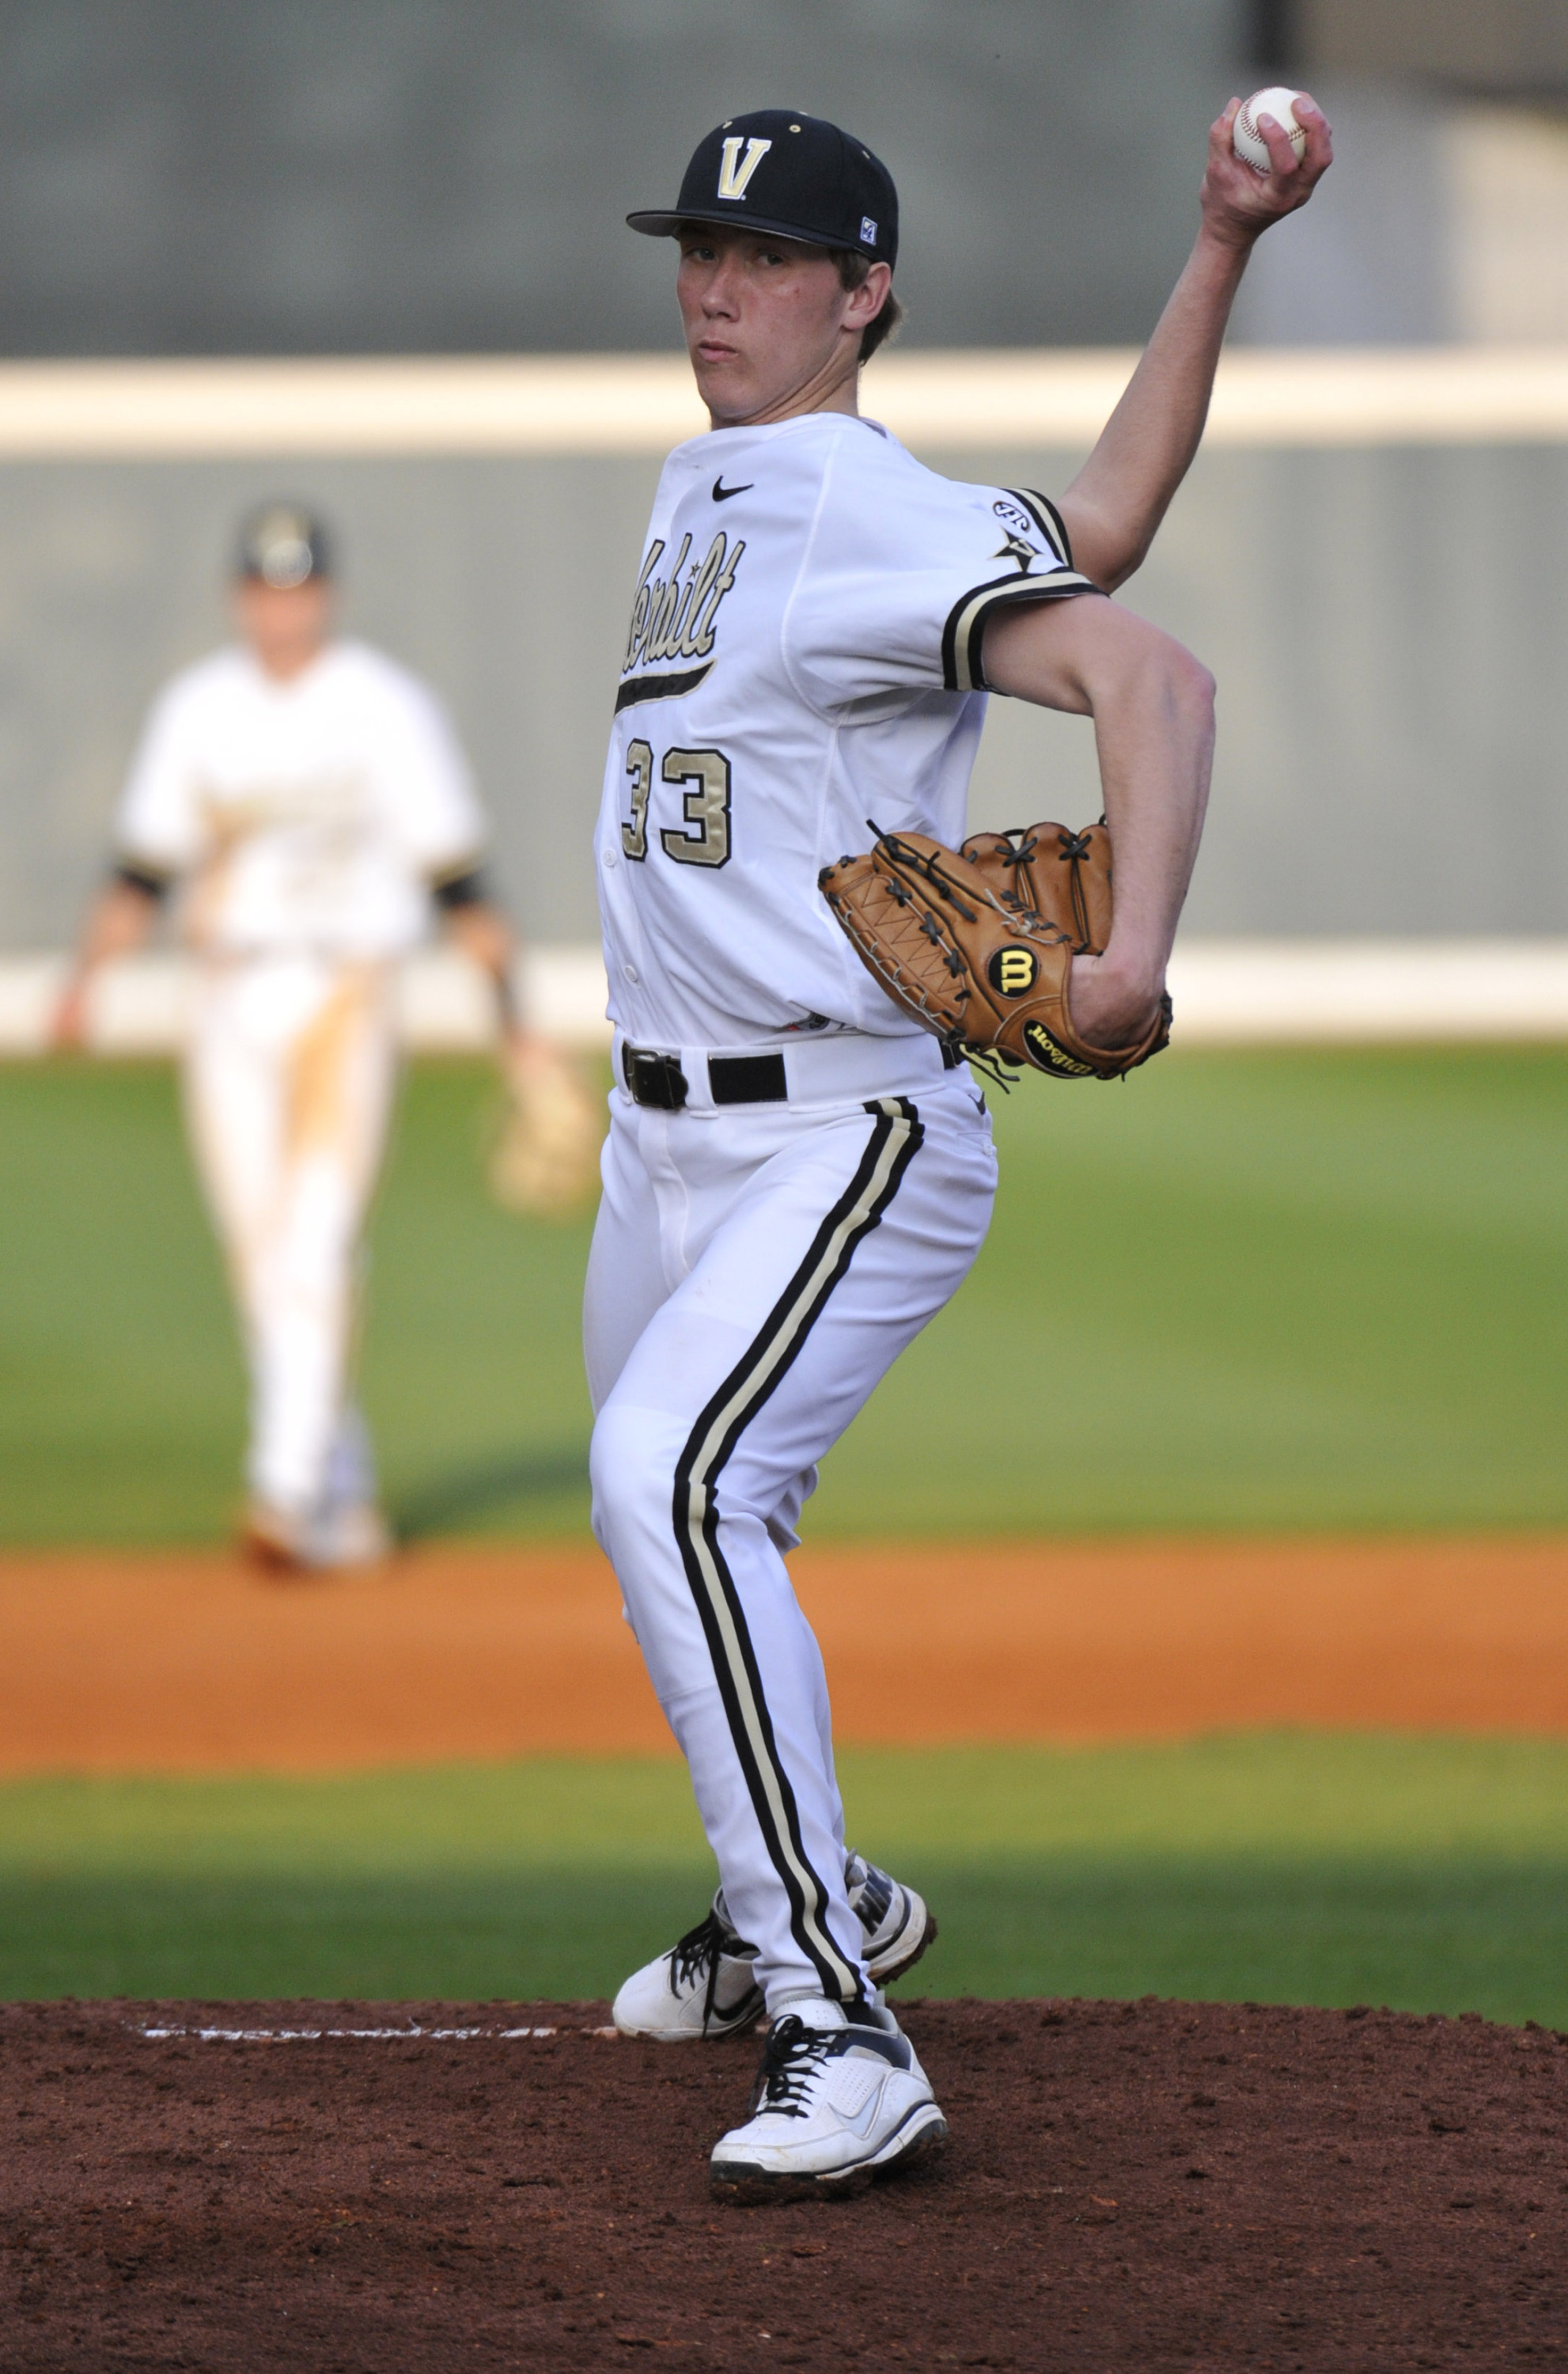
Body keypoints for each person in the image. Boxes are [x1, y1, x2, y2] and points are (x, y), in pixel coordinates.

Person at [589, 99, 1331, 2200]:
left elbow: (1141, 665)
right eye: (694, 250)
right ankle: (810, 1901)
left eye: (765, 261)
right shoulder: (720, 477)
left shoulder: (835, 498)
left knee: (674, 1478)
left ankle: (837, 2017)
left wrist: (1134, 962)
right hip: (666, 1147)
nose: (713, 288)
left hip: (837, 1126)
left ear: (863, 294)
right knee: (683, 1531)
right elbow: (1090, 520)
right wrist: (1214, 247)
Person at [55, 502, 537, 1573]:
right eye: (266, 588)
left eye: (300, 587)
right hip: (224, 996)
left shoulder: (381, 708)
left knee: (313, 1239)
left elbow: (455, 875)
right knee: (262, 1262)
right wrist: (84, 981)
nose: (283, 608)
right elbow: (144, 866)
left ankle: (281, 1489)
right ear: (240, 597)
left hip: (342, 989)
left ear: (328, 594)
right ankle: (345, 1498)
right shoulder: (198, 710)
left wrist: (516, 1029)